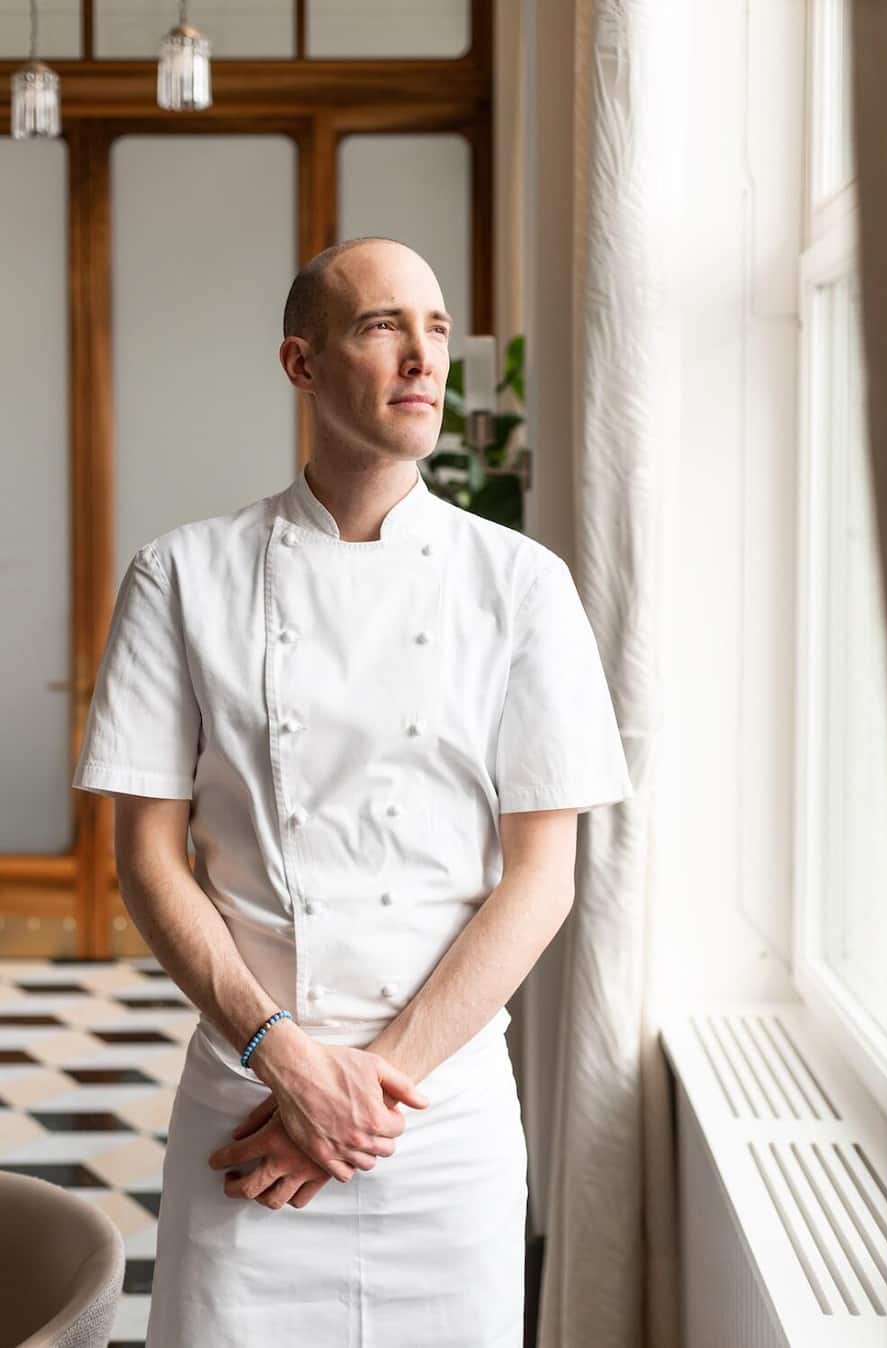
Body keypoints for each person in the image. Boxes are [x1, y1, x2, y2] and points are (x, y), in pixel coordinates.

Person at [71, 235, 634, 1346]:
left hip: (441, 1119)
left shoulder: (522, 585)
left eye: (434, 330)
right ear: (303, 363)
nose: (423, 357)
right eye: (383, 327)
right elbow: (147, 858)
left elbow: (543, 876)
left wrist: (358, 1095)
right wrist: (285, 1060)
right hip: (249, 1105)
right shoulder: (182, 574)